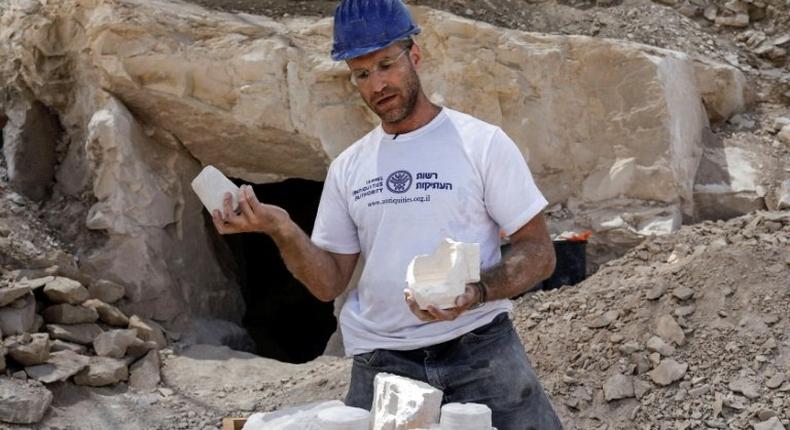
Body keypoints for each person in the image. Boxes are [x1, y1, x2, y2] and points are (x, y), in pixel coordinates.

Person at [212, 0, 564, 428]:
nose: (377, 83)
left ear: (414, 56)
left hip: (480, 351)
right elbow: (328, 283)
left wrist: (476, 292)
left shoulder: (481, 144)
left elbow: (539, 252)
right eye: (362, 73)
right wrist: (280, 227)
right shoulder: (349, 167)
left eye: (386, 64)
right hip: (383, 363)